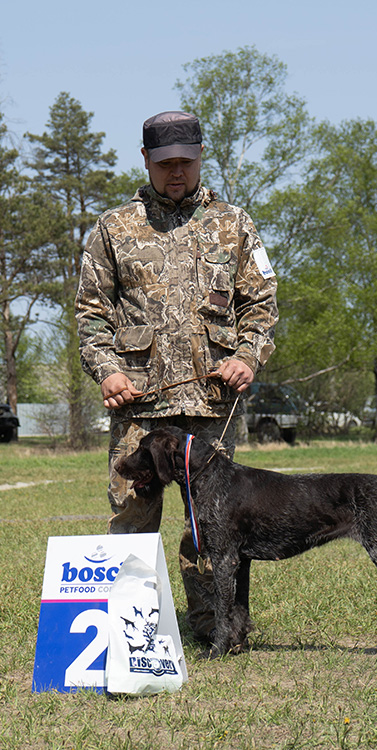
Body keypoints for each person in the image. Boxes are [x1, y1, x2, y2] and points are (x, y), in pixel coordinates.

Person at [75, 111, 278, 642]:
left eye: (186, 162)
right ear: (146, 160)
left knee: (213, 522)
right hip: (139, 405)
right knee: (133, 517)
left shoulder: (234, 224)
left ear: (200, 156)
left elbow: (261, 307)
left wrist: (248, 357)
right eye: (166, 163)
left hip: (212, 404)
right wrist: (107, 371)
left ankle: (217, 625)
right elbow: (90, 314)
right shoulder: (113, 229)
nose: (177, 173)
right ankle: (128, 633)